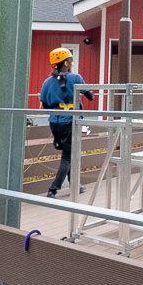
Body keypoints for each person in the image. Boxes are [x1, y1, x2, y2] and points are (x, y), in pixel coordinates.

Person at [40, 47, 95, 199]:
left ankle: (75, 184)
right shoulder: (76, 78)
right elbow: (90, 96)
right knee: (67, 156)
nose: (71, 63)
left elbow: (45, 104)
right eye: (70, 61)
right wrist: (90, 94)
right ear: (65, 63)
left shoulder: (47, 82)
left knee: (68, 153)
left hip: (54, 123)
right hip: (70, 122)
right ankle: (53, 189)